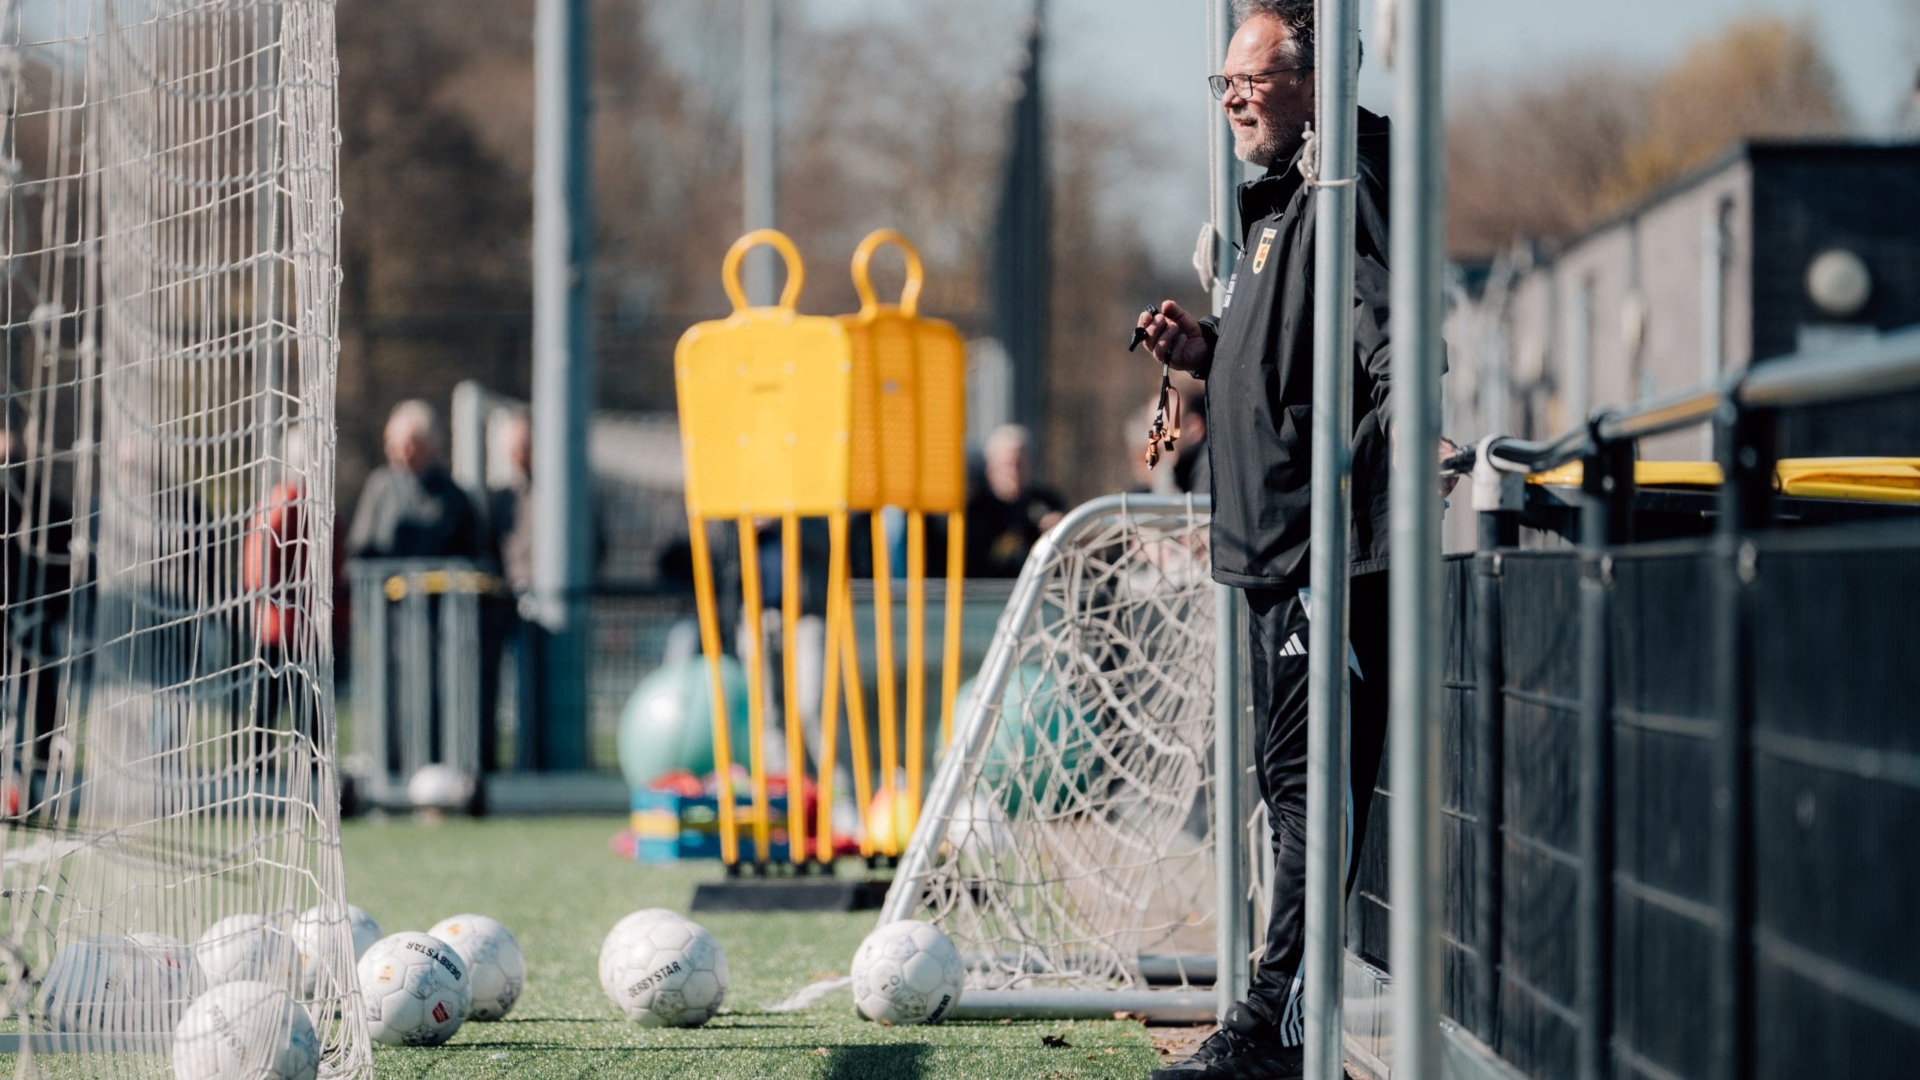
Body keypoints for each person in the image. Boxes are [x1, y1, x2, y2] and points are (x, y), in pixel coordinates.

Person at [1133, 4, 1454, 1077]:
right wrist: (1204, 352)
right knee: (1282, 784)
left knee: (1309, 792)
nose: (1229, 96)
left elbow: (1394, 336)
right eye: (1222, 80)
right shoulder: (1279, 203)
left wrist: (1410, 425)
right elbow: (1290, 364)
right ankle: (1270, 1016)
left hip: (1327, 551)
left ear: (1315, 78)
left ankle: (1274, 1030)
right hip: (1270, 551)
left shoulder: (1351, 179)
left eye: (1249, 77)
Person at [963, 425, 1065, 578]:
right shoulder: (974, 510)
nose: (1013, 472)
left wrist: (1061, 531)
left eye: (1020, 464)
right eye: (1007, 465)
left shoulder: (1047, 503)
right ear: (990, 468)